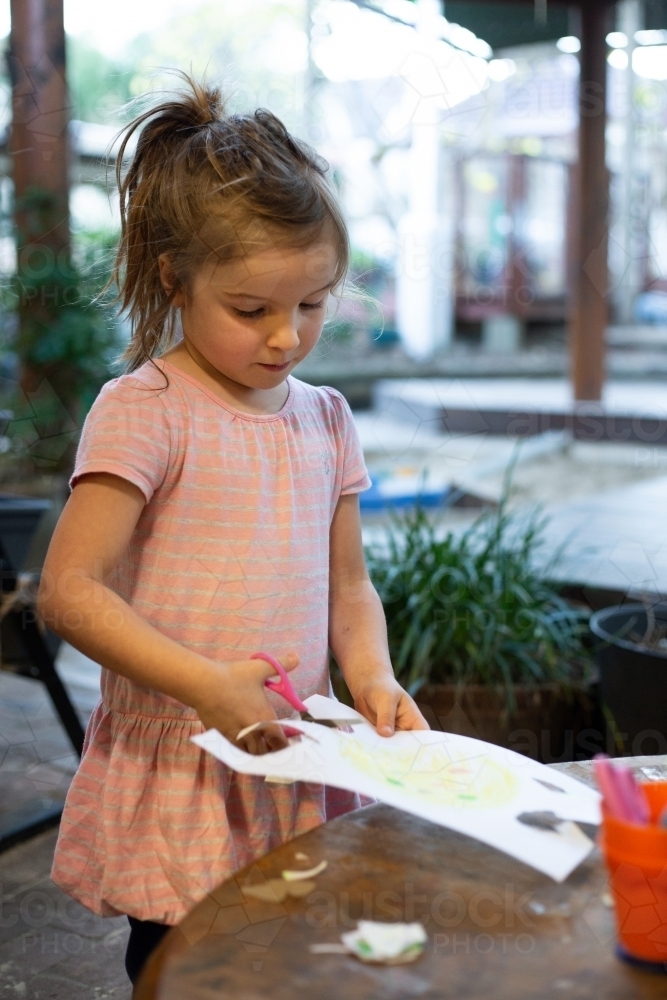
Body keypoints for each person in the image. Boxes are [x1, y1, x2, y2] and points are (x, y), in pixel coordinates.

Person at [40, 76, 428, 985]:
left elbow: (347, 586)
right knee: (182, 965)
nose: (287, 338)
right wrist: (205, 683)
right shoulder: (147, 409)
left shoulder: (326, 418)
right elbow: (69, 590)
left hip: (291, 752)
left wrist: (369, 673)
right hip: (186, 755)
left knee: (285, 963)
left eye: (314, 304)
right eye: (252, 310)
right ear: (176, 277)